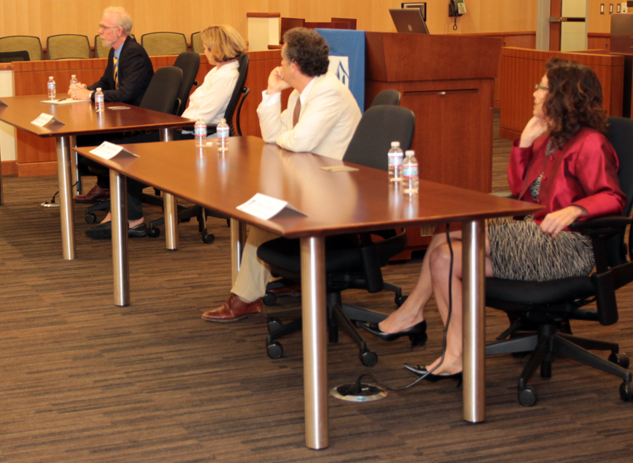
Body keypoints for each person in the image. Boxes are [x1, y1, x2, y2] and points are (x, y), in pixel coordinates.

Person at [357, 58, 626, 381]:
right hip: (532, 235)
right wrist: (524, 144)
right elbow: (519, 190)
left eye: (541, 88)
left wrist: (577, 209)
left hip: (566, 246)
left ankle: (413, 314)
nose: (534, 93)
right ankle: (455, 354)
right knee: (444, 256)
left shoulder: (590, 143)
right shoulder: (549, 137)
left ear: (562, 96)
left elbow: (614, 197)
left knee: (450, 235)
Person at [202, 27, 362, 322]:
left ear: (294, 65)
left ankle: (245, 299)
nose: (279, 65)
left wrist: (285, 137)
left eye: (282, 59)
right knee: (263, 213)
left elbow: (299, 141)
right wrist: (273, 94)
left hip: (335, 191)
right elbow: (273, 135)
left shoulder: (328, 92)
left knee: (265, 219)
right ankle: (272, 286)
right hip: (309, 179)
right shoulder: (301, 93)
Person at [85, 24, 247, 239]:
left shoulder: (226, 76)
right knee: (122, 150)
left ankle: (131, 220)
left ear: (218, 48)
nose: (205, 52)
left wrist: (173, 123)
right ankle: (121, 214)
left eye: (207, 48)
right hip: (190, 131)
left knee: (125, 152)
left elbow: (204, 116)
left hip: (199, 138)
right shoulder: (218, 72)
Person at [69, 6, 155, 204]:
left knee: (91, 135)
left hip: (137, 116)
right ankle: (106, 184)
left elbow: (126, 94)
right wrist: (85, 89)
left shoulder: (133, 53)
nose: (99, 31)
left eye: (104, 27)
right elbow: (106, 82)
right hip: (122, 112)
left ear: (119, 31)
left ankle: (107, 185)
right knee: (85, 132)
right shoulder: (116, 51)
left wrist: (90, 95)